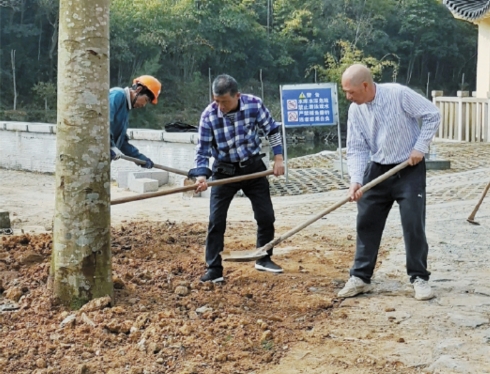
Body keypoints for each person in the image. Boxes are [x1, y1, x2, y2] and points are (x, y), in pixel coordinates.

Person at [338, 64, 440, 301]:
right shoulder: (355, 110)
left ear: (365, 85)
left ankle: (419, 277)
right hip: (377, 171)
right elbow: (356, 148)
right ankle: (361, 277)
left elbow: (432, 114)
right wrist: (355, 180)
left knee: (413, 223)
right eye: (345, 92)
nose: (348, 97)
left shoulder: (398, 94)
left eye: (351, 92)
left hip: (408, 168)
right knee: (366, 222)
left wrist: (420, 147)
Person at [188, 74, 285, 283]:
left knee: (266, 215)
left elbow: (272, 130)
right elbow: (202, 151)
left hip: (253, 168)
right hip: (224, 171)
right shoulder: (208, 116)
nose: (220, 106)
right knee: (216, 221)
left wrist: (279, 158)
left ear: (237, 96)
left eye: (224, 101)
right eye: (217, 101)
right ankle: (214, 269)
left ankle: (263, 257)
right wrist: (202, 176)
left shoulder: (254, 105)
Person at [109, 75, 161, 168]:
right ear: (138, 90)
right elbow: (104, 124)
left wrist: (141, 159)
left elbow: (122, 143)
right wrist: (110, 146)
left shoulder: (125, 110)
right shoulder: (118, 95)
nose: (144, 105)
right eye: (145, 100)